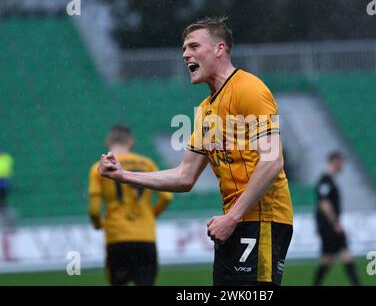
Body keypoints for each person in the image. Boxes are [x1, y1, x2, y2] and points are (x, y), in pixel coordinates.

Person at [98, 17, 293, 286]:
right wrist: (123, 175)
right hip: (234, 222)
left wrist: (232, 217)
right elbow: (184, 176)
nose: (185, 54)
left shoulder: (249, 88)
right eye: (183, 49)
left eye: (192, 46)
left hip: (262, 219)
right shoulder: (205, 111)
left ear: (219, 49)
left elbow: (272, 161)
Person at [88, 125, 173, 286]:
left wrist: (98, 224)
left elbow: (93, 209)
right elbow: (167, 197)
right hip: (145, 237)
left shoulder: (98, 169)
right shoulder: (147, 164)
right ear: (131, 142)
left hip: (117, 236)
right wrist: (151, 214)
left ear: (108, 142)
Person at [312, 151, 360, 286]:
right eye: (341, 162)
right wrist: (335, 223)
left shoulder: (329, 180)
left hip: (328, 225)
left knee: (328, 258)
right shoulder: (325, 181)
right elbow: (324, 203)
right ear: (335, 161)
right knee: (345, 254)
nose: (342, 165)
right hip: (328, 225)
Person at [0, 148, 14, 224]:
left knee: (3, 203)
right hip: (3, 183)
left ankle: (8, 222)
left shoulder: (6, 158)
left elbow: (4, 170)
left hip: (2, 183)